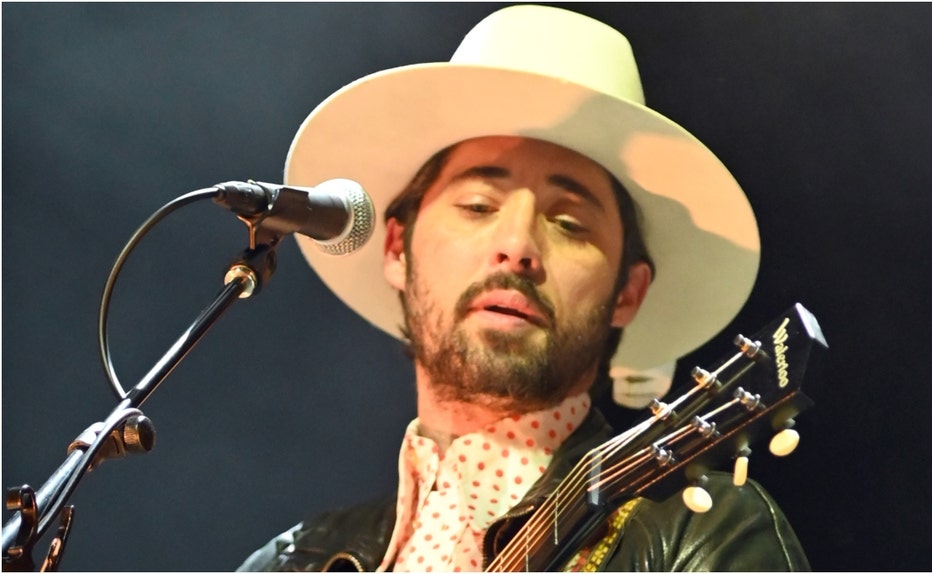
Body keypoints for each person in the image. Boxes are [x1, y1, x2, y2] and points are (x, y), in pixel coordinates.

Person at [240, 5, 807, 572]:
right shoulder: (292, 560)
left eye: (570, 223)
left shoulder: (701, 533)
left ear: (627, 292)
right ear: (396, 248)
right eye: (477, 206)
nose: (517, 245)